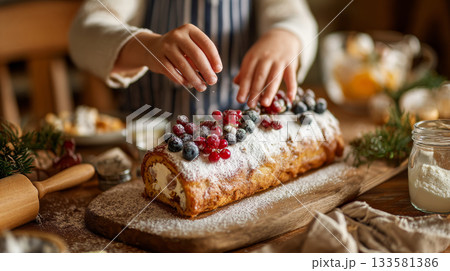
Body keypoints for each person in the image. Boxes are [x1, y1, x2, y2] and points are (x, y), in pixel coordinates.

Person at [69, 0, 317, 116]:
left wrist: (287, 36)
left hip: (236, 140)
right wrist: (147, 47)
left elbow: (297, 18)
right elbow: (83, 33)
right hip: (142, 141)